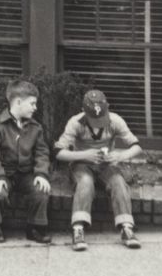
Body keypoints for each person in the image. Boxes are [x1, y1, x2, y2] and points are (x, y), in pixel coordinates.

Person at [57, 85, 142, 249]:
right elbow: (59, 152)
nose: (97, 124)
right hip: (81, 163)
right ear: (83, 110)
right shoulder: (75, 122)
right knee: (86, 182)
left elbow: (136, 146)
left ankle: (126, 228)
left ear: (107, 108)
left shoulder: (115, 120)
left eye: (101, 118)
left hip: (106, 164)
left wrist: (121, 155)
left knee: (118, 181)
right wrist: (84, 155)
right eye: (93, 119)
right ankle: (78, 229)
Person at [0, 76, 53, 245]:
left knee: (40, 191)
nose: (35, 108)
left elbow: (42, 152)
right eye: (32, 104)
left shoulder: (35, 127)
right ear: (19, 102)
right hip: (5, 173)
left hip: (26, 173)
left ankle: (34, 228)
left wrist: (41, 173)